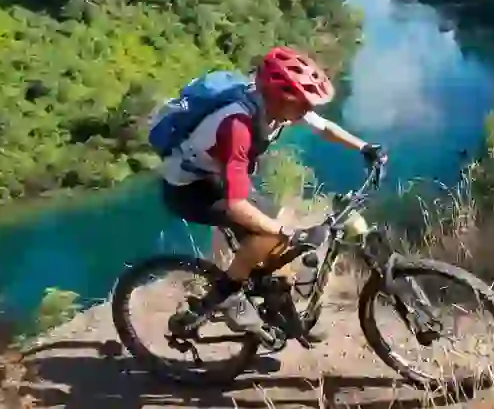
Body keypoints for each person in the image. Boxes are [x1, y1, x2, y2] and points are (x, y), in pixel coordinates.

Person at [157, 45, 385, 337]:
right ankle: (227, 296)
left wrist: (365, 148)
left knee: (274, 244)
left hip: (217, 176)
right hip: (190, 189)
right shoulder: (235, 126)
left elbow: (323, 127)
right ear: (279, 97)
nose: (308, 110)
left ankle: (282, 315)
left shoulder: (275, 104)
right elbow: (237, 205)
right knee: (269, 233)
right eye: (302, 104)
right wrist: (287, 232)